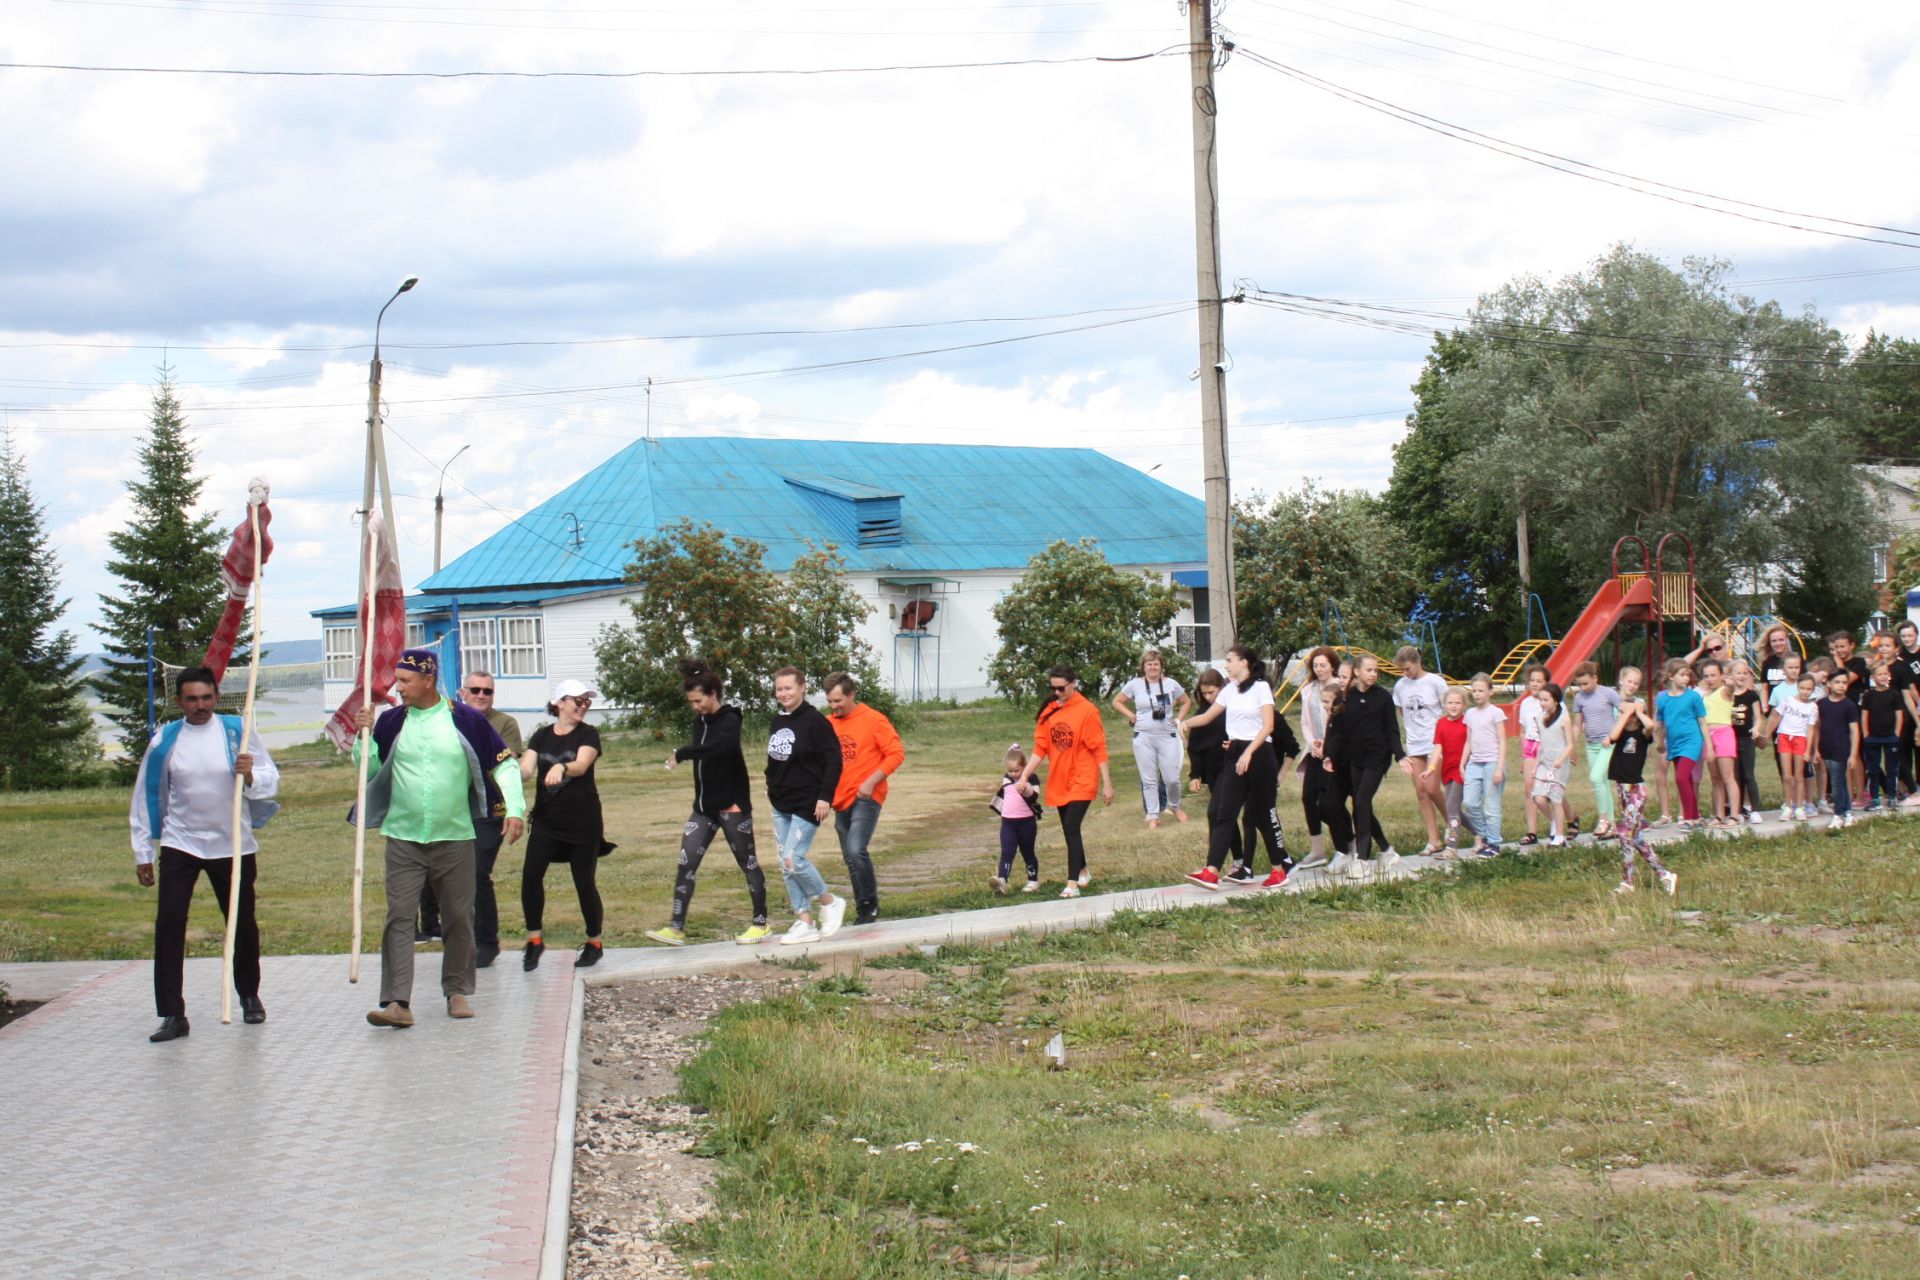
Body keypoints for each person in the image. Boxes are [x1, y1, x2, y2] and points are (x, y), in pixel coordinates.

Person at [354, 648, 526, 1028]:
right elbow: (371, 769)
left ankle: (457, 991)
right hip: (403, 836)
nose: (397, 689)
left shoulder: (465, 720)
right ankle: (397, 1002)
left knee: (458, 917)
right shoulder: (392, 721)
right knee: (399, 917)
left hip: (455, 836)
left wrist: (514, 808)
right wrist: (362, 736)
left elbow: (506, 764)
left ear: (428, 680)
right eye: (397, 680)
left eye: (404, 681)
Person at [129, 667, 280, 1042]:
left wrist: (251, 776)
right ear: (179, 701)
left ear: (216, 696)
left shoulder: (236, 731)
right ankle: (172, 1013)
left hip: (233, 844)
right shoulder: (166, 740)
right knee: (169, 924)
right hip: (181, 843)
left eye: (207, 698)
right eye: (192, 699)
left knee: (241, 922)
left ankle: (249, 995)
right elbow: (145, 796)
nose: (200, 706)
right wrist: (143, 851)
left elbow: (270, 778)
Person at [647, 659, 772, 947]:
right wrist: (689, 752)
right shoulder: (698, 721)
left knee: (747, 863)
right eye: (691, 702)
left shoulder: (731, 718)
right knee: (686, 861)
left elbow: (721, 749)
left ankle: (760, 924)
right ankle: (676, 928)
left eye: (699, 700)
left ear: (713, 694)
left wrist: (684, 752)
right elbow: (704, 753)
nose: (695, 706)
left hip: (731, 805)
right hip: (703, 807)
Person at [1180, 645, 1290, 889]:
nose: (1227, 665)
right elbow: (1207, 717)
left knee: (1264, 814)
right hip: (1236, 753)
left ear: (1245, 663)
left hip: (1260, 753)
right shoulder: (1229, 690)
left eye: (1230, 660)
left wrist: (1249, 752)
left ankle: (1278, 870)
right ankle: (1211, 870)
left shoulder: (1261, 688)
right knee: (1224, 811)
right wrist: (1185, 723)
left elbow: (1269, 726)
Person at [519, 679, 607, 971]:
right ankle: (534, 941)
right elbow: (526, 771)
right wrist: (508, 766)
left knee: (584, 883)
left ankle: (594, 943)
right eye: (577, 700)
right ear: (559, 703)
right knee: (531, 876)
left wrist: (561, 766)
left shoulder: (589, 734)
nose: (583, 706)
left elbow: (581, 766)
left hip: (583, 822)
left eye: (586, 701)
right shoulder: (541, 736)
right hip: (547, 821)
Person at [764, 667, 849, 943]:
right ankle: (804, 921)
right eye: (779, 689)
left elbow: (834, 761)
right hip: (781, 803)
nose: (784, 693)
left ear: (802, 687)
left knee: (794, 859)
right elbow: (776, 759)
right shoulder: (778, 720)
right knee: (784, 863)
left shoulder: (815, 722)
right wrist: (771, 783)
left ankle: (829, 902)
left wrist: (825, 796)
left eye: (789, 688)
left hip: (808, 803)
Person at [1016, 665, 1114, 897]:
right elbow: (1040, 749)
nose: (1057, 692)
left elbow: (1099, 749)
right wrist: (1024, 775)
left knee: (1071, 826)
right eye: (1053, 688)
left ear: (1074, 683)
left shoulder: (1087, 711)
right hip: (1060, 779)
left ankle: (1072, 884)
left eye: (1061, 688)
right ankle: (1083, 871)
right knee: (1068, 829)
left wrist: (1107, 784)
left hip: (1083, 777)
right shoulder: (1049, 711)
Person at [825, 672, 907, 923]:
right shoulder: (827, 724)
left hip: (867, 796)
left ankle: (870, 903)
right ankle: (863, 910)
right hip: (840, 799)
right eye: (830, 701)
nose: (834, 706)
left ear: (851, 695)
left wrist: (871, 782)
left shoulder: (873, 720)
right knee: (849, 857)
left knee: (855, 848)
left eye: (838, 700)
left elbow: (896, 753)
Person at [454, 671, 523, 968]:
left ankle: (487, 942)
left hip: (489, 812)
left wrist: (513, 810)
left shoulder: (504, 724)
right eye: (476, 690)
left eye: (488, 691)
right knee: (446, 876)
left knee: (477, 872)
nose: (482, 695)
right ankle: (449, 936)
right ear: (462, 692)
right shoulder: (448, 720)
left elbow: (502, 764)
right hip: (453, 810)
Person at [1322, 652, 1404, 878]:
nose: (1374, 674)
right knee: (1360, 806)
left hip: (1377, 759)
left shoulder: (1383, 698)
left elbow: (1392, 731)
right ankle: (1387, 852)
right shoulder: (1346, 699)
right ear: (1357, 672)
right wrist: (1329, 755)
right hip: (1355, 760)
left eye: (1376, 670)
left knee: (1362, 801)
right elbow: (1338, 733)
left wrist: (1400, 755)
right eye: (1369, 670)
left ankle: (1363, 860)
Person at [1602, 672, 1675, 896]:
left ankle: (1628, 881)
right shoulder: (1621, 733)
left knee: (1625, 834)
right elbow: (1611, 737)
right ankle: (1665, 875)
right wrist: (1626, 714)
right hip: (1622, 788)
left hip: (1636, 790)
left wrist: (1638, 710)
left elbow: (1651, 725)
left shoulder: (1644, 736)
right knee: (1635, 837)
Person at [1112, 648, 1190, 828]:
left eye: (1156, 664)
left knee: (1172, 777)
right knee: (1148, 779)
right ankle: (1152, 815)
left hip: (1167, 735)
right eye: (1149, 664)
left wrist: (1179, 719)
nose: (1153, 667)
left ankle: (1175, 806)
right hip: (1143, 736)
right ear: (1143, 667)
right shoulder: (1135, 684)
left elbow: (1186, 701)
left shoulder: (1171, 683)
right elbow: (1117, 701)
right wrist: (1131, 715)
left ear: (1161, 666)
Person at [1391, 646, 1449, 855]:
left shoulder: (1435, 682)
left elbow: (1449, 708)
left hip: (1435, 742)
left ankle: (1452, 824)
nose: (1405, 673)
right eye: (1402, 670)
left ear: (1417, 662)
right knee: (1422, 792)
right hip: (1414, 743)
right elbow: (1401, 711)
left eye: (1407, 668)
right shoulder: (1400, 686)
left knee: (1433, 788)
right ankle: (1434, 840)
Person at [1294, 647, 1341, 869]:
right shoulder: (1309, 690)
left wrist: (1328, 748)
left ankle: (1346, 842)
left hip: (1333, 753)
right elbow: (1304, 721)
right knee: (1308, 798)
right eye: (1315, 666)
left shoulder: (1340, 688)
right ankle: (1317, 850)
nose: (1319, 669)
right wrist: (1313, 743)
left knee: (1328, 803)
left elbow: (1340, 724)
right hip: (1314, 751)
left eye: (1323, 665)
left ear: (1332, 665)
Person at [1568, 662, 1622, 839]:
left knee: (1595, 778)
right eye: (1579, 684)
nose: (1582, 688)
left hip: (1608, 744)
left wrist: (1614, 736)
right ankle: (1613, 826)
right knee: (1602, 784)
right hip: (1591, 745)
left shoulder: (1608, 693)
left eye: (1586, 683)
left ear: (1595, 678)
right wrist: (1571, 746)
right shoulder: (1579, 698)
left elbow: (1625, 712)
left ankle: (1603, 819)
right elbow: (1577, 724)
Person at [1653, 660, 1707, 827]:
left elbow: (1703, 723)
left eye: (1687, 675)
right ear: (1671, 676)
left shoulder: (1694, 697)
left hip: (1692, 741)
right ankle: (1696, 816)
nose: (1686, 679)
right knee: (1687, 779)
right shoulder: (1663, 699)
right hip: (1675, 743)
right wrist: (1660, 742)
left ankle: (1689, 818)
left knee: (1681, 777)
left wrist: (1709, 747)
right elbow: (1661, 724)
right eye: (1682, 675)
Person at [1461, 673, 1506, 858]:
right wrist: (1462, 763)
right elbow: (1469, 741)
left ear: (1490, 692)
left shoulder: (1496, 713)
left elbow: (1502, 741)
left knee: (1491, 806)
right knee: (1469, 803)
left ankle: (1494, 844)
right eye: (1474, 691)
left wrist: (1499, 768)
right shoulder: (1470, 714)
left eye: (1481, 690)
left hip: (1492, 762)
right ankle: (1484, 835)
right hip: (1475, 763)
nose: (1477, 694)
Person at [1424, 687, 1473, 855]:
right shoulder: (1441, 723)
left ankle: (1452, 845)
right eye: (1450, 702)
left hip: (1462, 769)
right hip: (1447, 769)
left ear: (1464, 705)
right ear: (1444, 704)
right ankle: (1480, 833)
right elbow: (1438, 747)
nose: (1453, 706)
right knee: (1454, 809)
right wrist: (1431, 768)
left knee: (1451, 805)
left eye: (1457, 703)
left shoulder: (1468, 723)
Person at [1765, 674, 1820, 820]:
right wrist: (1766, 735)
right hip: (1784, 737)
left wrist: (1808, 750)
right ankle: (1787, 806)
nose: (1805, 691)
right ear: (1797, 687)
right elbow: (1775, 716)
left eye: (1809, 689)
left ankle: (1799, 806)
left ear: (1813, 690)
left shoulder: (1813, 707)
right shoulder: (1787, 701)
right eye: (1802, 688)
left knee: (1799, 776)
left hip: (1800, 740)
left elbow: (1811, 729)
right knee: (1787, 776)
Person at [989, 744, 1043, 895]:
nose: (1013, 774)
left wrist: (1025, 788)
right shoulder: (1007, 778)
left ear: (1025, 766)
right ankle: (1002, 881)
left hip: (1026, 823)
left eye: (1016, 771)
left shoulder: (1032, 778)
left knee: (1028, 852)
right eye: (1010, 771)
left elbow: (1034, 796)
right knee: (1007, 851)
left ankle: (1033, 881)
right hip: (1008, 823)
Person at [1813, 670, 1862, 831]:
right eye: (1837, 682)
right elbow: (1817, 727)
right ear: (1828, 683)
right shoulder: (1821, 704)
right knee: (1839, 781)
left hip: (1842, 748)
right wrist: (1816, 749)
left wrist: (1853, 754)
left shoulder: (1849, 705)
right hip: (1826, 747)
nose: (1841, 686)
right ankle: (1848, 812)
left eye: (1844, 683)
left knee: (1836, 782)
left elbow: (1855, 731)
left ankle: (1838, 814)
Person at [1697, 660, 1741, 830]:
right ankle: (1718, 814)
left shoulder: (1724, 691)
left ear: (1721, 675)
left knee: (1728, 776)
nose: (1709, 679)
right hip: (1709, 737)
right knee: (1715, 779)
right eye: (1706, 676)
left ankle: (1734, 816)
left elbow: (1731, 688)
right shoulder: (1704, 696)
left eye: (1713, 675)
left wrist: (1730, 682)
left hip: (1724, 734)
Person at [1532, 683, 1575, 848]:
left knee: (1556, 799)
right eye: (1540, 700)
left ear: (1555, 701)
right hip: (1545, 763)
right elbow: (1541, 744)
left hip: (1560, 765)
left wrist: (1560, 760)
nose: (1542, 703)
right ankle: (1554, 822)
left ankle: (1559, 836)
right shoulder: (1539, 719)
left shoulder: (1564, 720)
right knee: (1538, 798)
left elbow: (1570, 744)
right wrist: (1536, 766)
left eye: (1546, 700)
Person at [1860, 662, 1906, 812]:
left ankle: (1892, 796)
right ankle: (1875, 799)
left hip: (1890, 738)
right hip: (1873, 737)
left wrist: (1896, 735)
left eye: (1885, 673)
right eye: (1880, 674)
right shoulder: (1869, 695)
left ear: (1889, 675)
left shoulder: (1894, 694)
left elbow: (1899, 715)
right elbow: (1864, 715)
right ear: (1873, 677)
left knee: (1892, 769)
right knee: (1873, 770)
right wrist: (1866, 735)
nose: (1883, 676)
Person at [1728, 660, 1766, 824]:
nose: (1742, 676)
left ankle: (1755, 809)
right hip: (1730, 739)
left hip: (1747, 739)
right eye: (1738, 673)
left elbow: (1758, 717)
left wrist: (1756, 729)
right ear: (1731, 675)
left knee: (1749, 774)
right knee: (1736, 776)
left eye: (1745, 673)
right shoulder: (1727, 695)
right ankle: (1738, 809)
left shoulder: (1752, 695)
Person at [1516, 664, 1550, 845]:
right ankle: (1532, 832)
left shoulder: (1549, 701)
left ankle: (1563, 821)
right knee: (1529, 788)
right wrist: (1523, 755)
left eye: (1539, 681)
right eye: (1532, 680)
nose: (1535, 684)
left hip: (1547, 746)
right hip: (1530, 745)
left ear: (1545, 683)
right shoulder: (1525, 703)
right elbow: (1522, 730)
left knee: (1548, 789)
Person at [1891, 620, 1920, 797]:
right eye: (1904, 636)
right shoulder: (1899, 656)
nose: (1907, 638)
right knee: (1905, 745)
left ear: (1916, 634)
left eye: (1910, 635)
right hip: (1907, 707)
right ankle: (1907, 785)